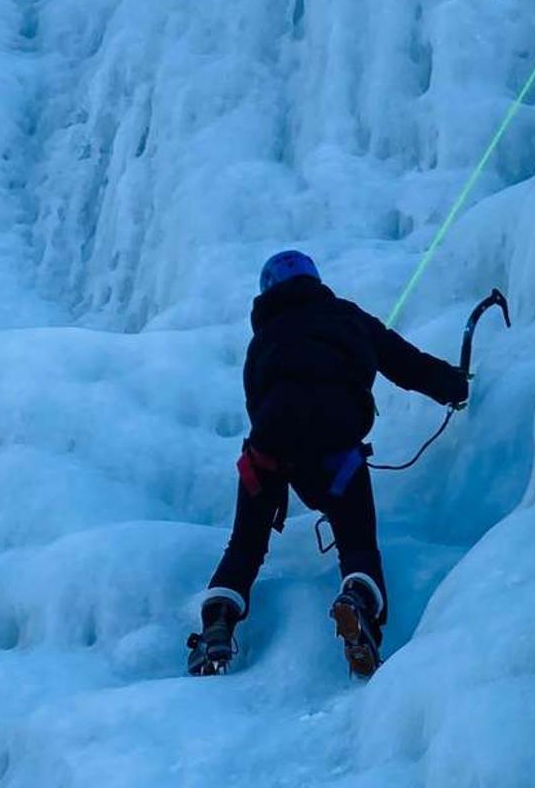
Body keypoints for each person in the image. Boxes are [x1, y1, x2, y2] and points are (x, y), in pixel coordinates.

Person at [188, 249, 470, 678]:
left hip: (269, 447)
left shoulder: (262, 340)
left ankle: (217, 626)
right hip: (336, 447)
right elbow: (406, 364)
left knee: (245, 546)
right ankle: (358, 599)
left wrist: (278, 471)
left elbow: (256, 402)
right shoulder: (346, 316)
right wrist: (455, 387)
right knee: (357, 543)